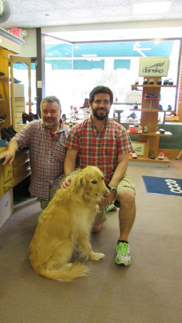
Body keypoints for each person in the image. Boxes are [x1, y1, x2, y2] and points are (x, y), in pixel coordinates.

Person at [62, 85, 136, 267]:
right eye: (98, 101)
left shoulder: (120, 131)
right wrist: (69, 177)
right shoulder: (77, 130)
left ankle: (123, 243)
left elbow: (123, 163)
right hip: (89, 182)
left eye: (106, 101)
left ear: (110, 104)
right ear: (90, 104)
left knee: (128, 196)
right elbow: (70, 160)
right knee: (95, 229)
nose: (101, 105)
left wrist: (111, 187)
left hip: (113, 176)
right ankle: (106, 209)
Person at [0, 96, 70, 209]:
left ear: (60, 112)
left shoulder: (69, 134)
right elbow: (16, 139)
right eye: (45, 111)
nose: (49, 115)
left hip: (60, 181)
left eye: (53, 111)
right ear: (41, 112)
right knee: (48, 214)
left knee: (57, 214)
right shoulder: (33, 127)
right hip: (41, 184)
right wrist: (11, 150)